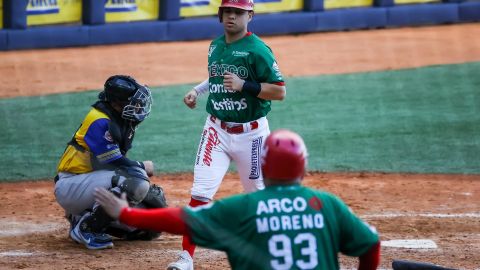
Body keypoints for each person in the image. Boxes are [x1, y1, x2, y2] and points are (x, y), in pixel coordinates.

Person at [95, 129, 381, 270]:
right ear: (304, 169)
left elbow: (181, 219)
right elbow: (370, 244)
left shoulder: (244, 208)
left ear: (263, 167)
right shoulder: (327, 204)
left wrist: (128, 214)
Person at [177, 0, 286, 268]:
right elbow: (214, 76)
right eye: (227, 11)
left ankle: (270, 254)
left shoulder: (258, 50)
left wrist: (244, 85)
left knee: (259, 196)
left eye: (238, 12)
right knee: (200, 193)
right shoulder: (215, 45)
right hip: (216, 130)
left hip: (252, 136)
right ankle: (185, 258)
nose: (231, 17)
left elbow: (279, 91)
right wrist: (197, 91)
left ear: (250, 15)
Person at [54, 75, 168, 250]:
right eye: (134, 103)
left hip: (89, 183)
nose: (139, 107)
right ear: (117, 103)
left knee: (149, 224)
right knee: (136, 181)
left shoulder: (119, 118)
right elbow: (111, 161)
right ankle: (86, 229)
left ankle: (81, 216)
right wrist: (142, 166)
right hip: (71, 185)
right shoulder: (99, 120)